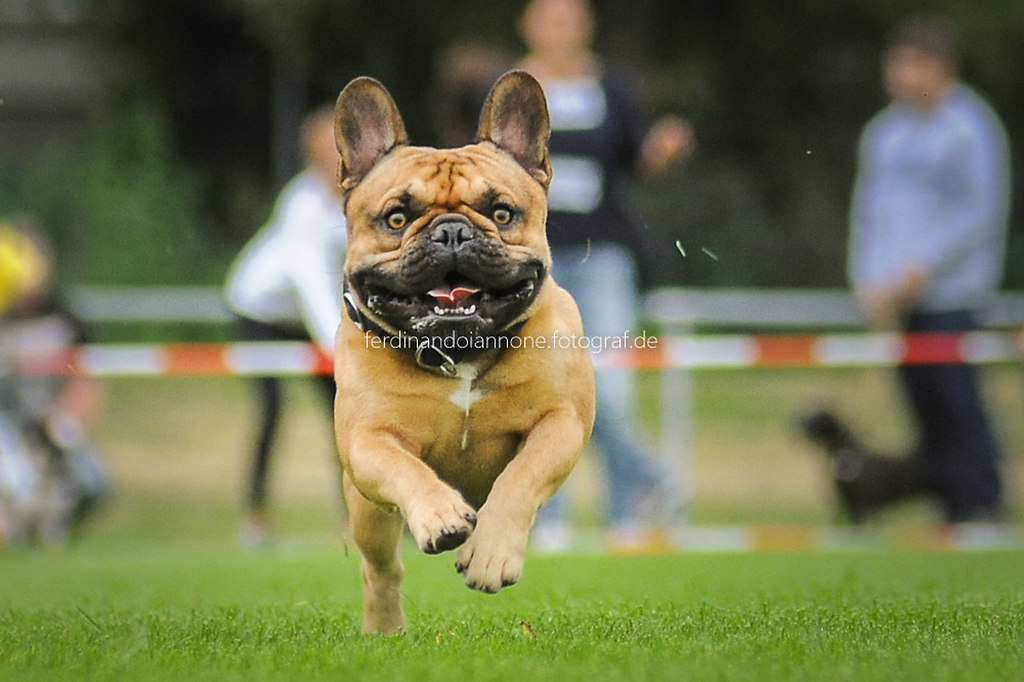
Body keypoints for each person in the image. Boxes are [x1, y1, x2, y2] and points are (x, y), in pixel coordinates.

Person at [802, 17, 1011, 525]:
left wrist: (925, 267)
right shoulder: (884, 132)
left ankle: (980, 507)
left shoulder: (971, 128)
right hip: (898, 298)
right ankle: (950, 509)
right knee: (923, 409)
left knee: (957, 406)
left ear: (940, 68)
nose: (899, 75)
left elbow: (979, 212)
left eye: (911, 64)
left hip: (950, 297)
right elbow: (869, 213)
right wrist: (868, 279)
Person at [514, 0, 695, 550]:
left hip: (604, 256)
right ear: (529, 26)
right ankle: (554, 517)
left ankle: (628, 508)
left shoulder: (612, 88)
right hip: (530, 259)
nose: (560, 30)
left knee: (607, 389)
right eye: (549, 19)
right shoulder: (511, 89)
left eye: (569, 20)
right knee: (539, 391)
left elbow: (640, 158)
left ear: (586, 27)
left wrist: (663, 148)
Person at [224, 106, 347, 547]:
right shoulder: (303, 205)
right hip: (260, 311)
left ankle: (354, 519)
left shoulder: (363, 199)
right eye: (329, 151)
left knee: (344, 415)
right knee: (273, 409)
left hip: (310, 319)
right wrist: (340, 349)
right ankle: (255, 519)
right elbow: (311, 281)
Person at [0, 217, 109, 546]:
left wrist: (68, 422)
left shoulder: (65, 316)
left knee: (95, 486)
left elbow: (87, 380)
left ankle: (51, 533)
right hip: (10, 427)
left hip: (51, 422)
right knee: (20, 483)